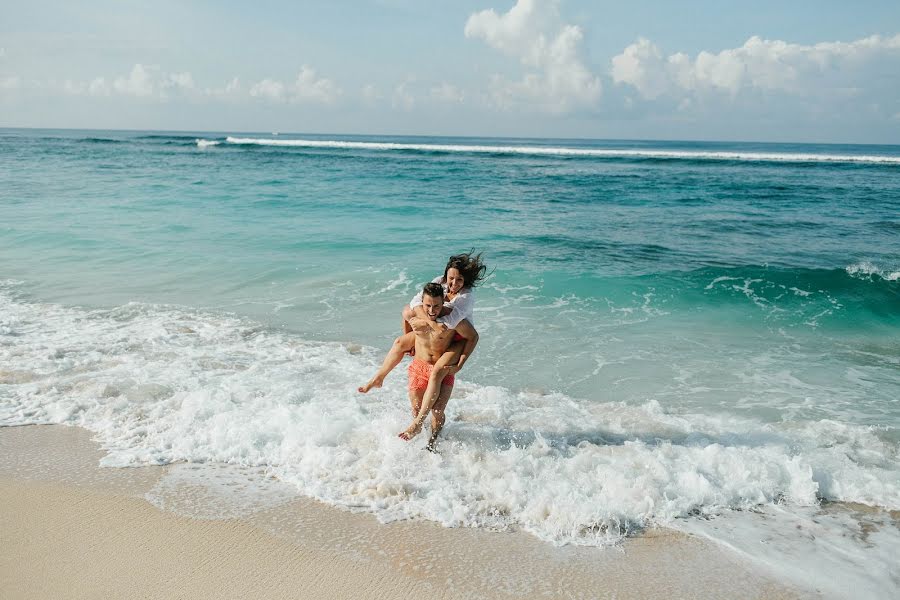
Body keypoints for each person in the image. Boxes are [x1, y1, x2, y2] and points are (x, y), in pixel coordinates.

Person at [358, 252, 487, 394]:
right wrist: (427, 323)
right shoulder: (439, 281)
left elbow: (449, 323)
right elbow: (415, 302)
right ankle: (378, 377)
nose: (454, 283)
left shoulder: (466, 296)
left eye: (459, 280)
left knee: (412, 314)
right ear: (446, 276)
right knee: (400, 340)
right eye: (451, 278)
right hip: (435, 327)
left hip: (458, 336)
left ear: (465, 280)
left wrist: (422, 322)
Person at [399, 282, 478, 450]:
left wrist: (460, 363)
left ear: (443, 303)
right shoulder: (418, 313)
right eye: (428, 305)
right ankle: (419, 437)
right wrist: (410, 341)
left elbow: (472, 336)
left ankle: (432, 442)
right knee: (416, 408)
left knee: (437, 411)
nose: (431, 310)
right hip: (420, 366)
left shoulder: (451, 319)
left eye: (436, 306)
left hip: (443, 368)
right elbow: (406, 315)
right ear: (422, 303)